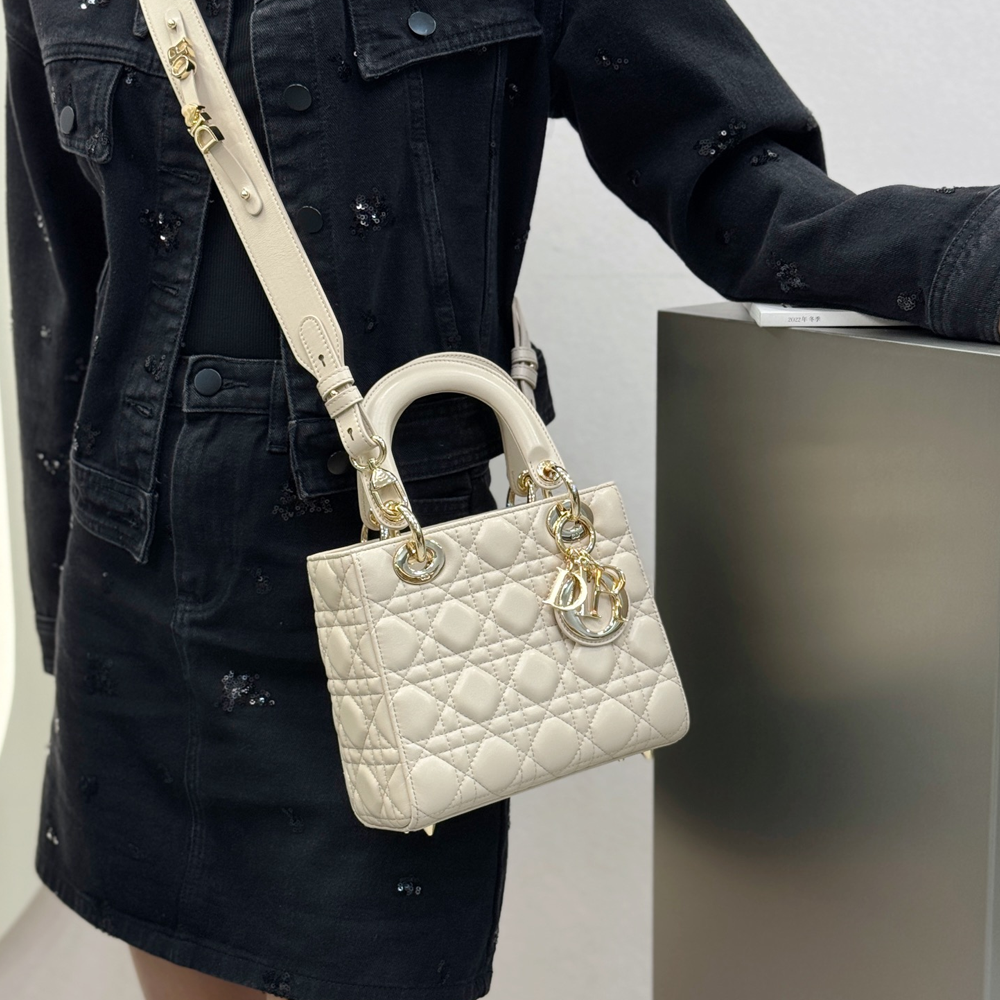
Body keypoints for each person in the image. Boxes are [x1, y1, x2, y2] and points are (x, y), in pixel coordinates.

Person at [3, 0, 998, 997]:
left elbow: (738, 183)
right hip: (135, 605)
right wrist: (59, 619)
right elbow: (62, 301)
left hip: (414, 611)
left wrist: (963, 256)